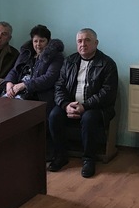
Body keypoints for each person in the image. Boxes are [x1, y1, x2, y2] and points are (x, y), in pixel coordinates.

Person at [47, 28, 118, 178]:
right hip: (70, 104)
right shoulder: (69, 61)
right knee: (54, 115)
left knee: (88, 118)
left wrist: (84, 106)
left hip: (97, 108)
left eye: (87, 40)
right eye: (79, 41)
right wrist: (65, 105)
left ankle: (88, 160)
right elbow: (59, 86)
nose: (83, 44)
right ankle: (60, 155)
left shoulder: (107, 64)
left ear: (96, 43)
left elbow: (107, 93)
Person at [3, 24, 65, 112]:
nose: (38, 44)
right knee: (0, 107)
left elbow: (50, 78)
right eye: (35, 41)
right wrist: (9, 83)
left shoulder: (56, 56)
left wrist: (24, 85)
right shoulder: (26, 53)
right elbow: (15, 70)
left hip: (37, 95)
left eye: (42, 41)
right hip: (17, 91)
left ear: (48, 41)